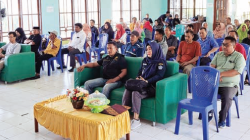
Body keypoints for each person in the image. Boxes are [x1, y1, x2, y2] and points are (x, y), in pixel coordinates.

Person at [122, 41, 167, 130]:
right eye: (147, 49)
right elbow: (139, 72)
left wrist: (147, 81)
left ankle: (136, 120)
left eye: (150, 49)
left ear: (155, 49)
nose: (148, 51)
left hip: (152, 87)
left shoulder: (161, 62)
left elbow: (159, 76)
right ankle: (123, 114)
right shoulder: (145, 60)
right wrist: (138, 78)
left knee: (136, 92)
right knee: (128, 88)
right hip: (142, 84)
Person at [210, 36, 245, 128]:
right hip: (216, 82)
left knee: (226, 96)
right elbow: (212, 66)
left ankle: (222, 119)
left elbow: (237, 71)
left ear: (234, 46)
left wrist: (221, 74)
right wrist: (216, 75)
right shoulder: (219, 54)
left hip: (229, 84)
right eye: (223, 44)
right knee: (205, 91)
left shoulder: (239, 57)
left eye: (227, 45)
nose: (224, 47)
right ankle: (208, 112)